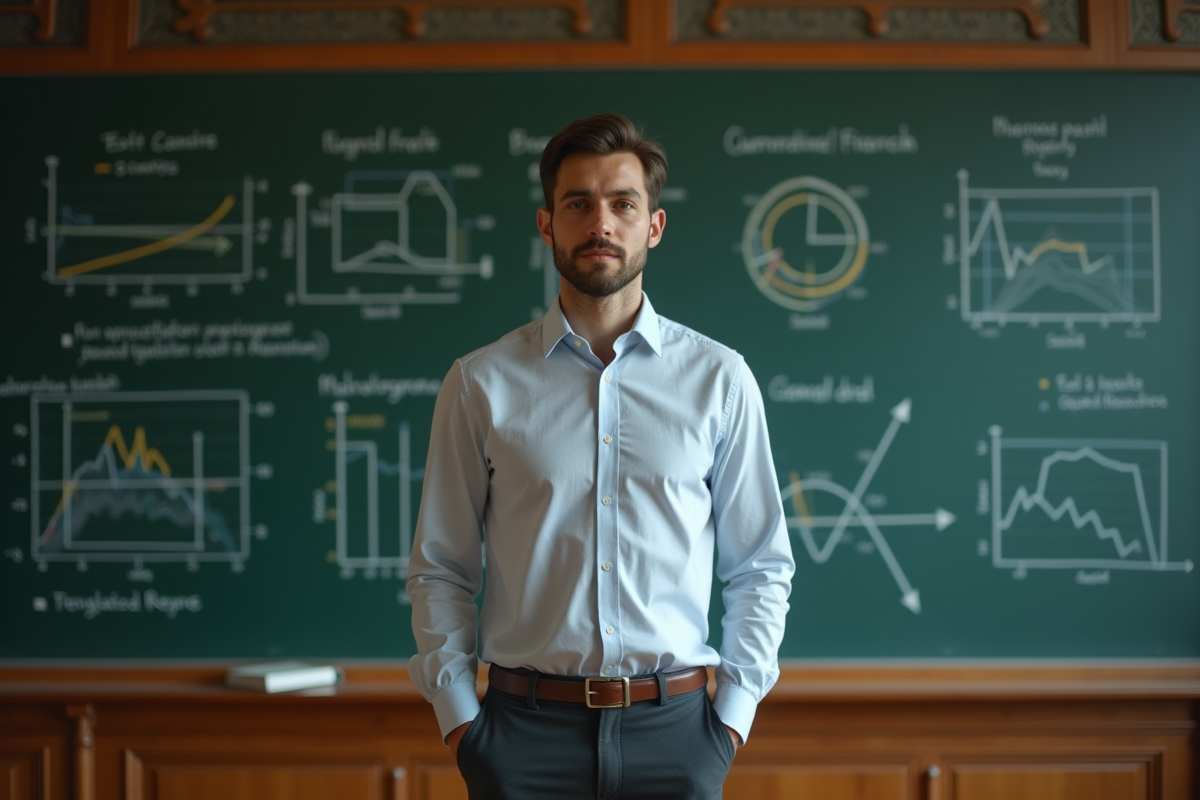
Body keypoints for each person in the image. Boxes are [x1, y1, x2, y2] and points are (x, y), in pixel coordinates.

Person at [407, 112, 795, 799]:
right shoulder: (478, 384)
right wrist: (463, 724)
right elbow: (440, 567)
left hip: (678, 737)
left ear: (654, 226)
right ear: (546, 224)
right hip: (520, 741)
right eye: (578, 204)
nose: (601, 224)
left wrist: (729, 724)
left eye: (623, 204)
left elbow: (760, 565)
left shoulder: (720, 380)